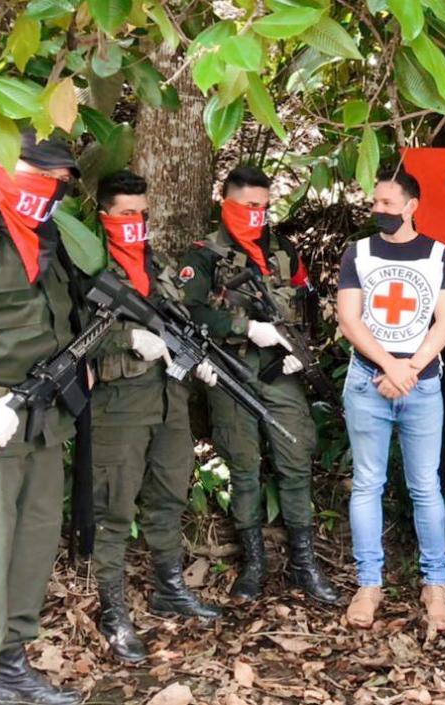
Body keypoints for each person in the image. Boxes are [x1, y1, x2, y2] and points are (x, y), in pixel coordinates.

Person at [179, 165, 337, 604]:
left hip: (280, 369)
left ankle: (304, 563)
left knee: (296, 458)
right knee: (243, 465)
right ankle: (253, 565)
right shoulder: (204, 255)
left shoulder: (283, 250)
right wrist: (245, 326)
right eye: (248, 205)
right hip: (231, 368)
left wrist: (302, 349)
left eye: (264, 207)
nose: (257, 214)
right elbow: (189, 311)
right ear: (225, 202)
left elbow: (307, 301)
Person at [88, 171, 222, 664]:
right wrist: (127, 338)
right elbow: (68, 333)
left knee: (168, 494)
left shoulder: (158, 264)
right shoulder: (87, 263)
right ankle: (113, 611)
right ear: (104, 214)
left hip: (169, 399)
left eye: (142, 214)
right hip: (118, 405)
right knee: (113, 509)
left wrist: (195, 358)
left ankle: (168, 588)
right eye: (126, 214)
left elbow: (178, 323)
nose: (136, 223)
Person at [0, 131, 83, 705]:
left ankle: (10, 667)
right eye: (42, 176)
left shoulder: (46, 237)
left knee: (32, 550)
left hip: (43, 422)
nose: (52, 190)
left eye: (60, 181)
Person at [336, 166, 445, 630]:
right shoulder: (359, 253)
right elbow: (350, 320)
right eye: (375, 202)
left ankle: (435, 584)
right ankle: (369, 584)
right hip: (369, 382)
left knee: (425, 486)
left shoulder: (439, 255)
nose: (378, 210)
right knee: (367, 483)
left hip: (421, 385)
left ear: (411, 206)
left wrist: (409, 369)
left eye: (387, 203)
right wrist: (391, 366)